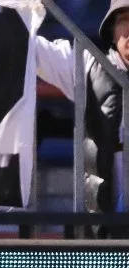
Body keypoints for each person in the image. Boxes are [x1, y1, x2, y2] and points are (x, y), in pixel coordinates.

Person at [37, 0, 128, 213]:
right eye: (124, 20)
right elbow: (30, 46)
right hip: (105, 234)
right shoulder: (88, 67)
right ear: (112, 33)